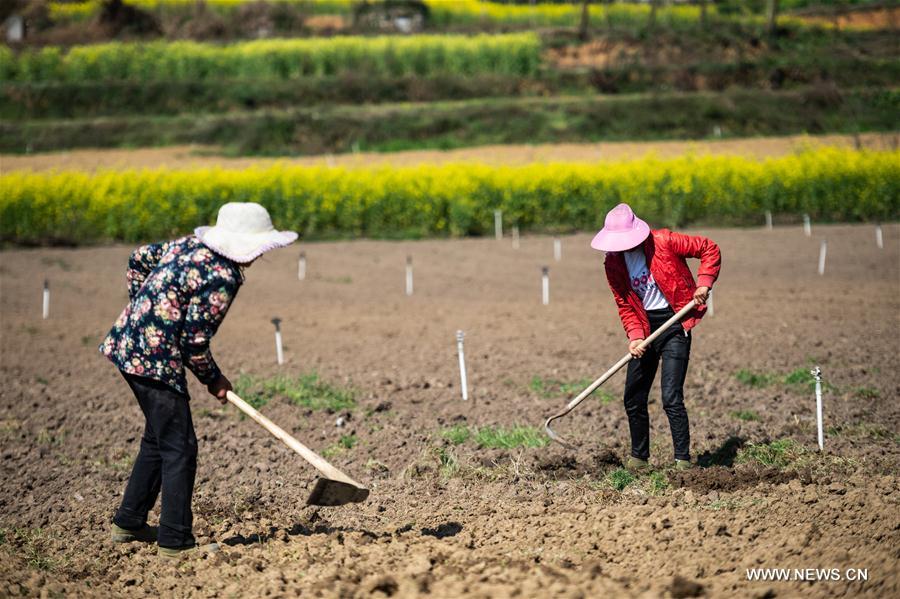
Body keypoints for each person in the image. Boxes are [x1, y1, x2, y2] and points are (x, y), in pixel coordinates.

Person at [100, 202, 297, 557]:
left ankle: (129, 522)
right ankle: (175, 541)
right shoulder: (223, 276)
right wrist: (215, 379)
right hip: (153, 360)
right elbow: (193, 342)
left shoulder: (188, 245)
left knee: (159, 438)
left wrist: (145, 309)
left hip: (127, 341)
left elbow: (138, 257)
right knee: (181, 447)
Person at [591, 203, 721, 471]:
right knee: (633, 396)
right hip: (645, 328)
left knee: (671, 396)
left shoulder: (664, 241)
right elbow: (624, 303)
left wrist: (704, 283)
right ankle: (639, 459)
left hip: (675, 322)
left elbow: (708, 248)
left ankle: (683, 462)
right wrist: (636, 336)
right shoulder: (613, 263)